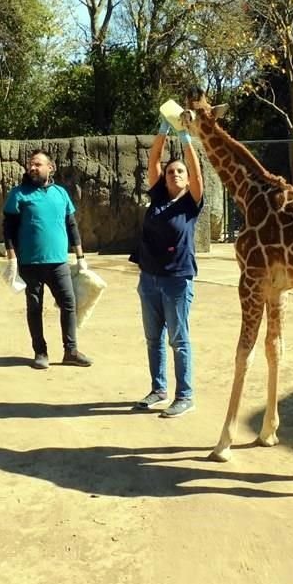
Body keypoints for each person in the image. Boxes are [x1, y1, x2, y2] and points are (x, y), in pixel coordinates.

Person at [129, 116, 204, 417]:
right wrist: (163, 130)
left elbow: (196, 169)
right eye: (171, 171)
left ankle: (184, 395)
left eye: (180, 171)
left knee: (179, 340)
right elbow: (153, 160)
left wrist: (184, 136)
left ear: (187, 179)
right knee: (153, 338)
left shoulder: (191, 203)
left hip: (177, 281)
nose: (174, 174)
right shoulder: (158, 197)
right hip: (149, 279)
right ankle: (158, 389)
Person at [3, 149, 93, 370]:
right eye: (30, 165)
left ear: (50, 168)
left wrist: (80, 256)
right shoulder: (18, 194)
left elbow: (72, 225)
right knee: (35, 306)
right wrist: (12, 257)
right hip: (29, 263)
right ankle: (40, 352)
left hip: (59, 262)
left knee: (69, 303)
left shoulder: (61, 193)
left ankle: (70, 351)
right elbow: (8, 228)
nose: (32, 168)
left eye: (37, 164)